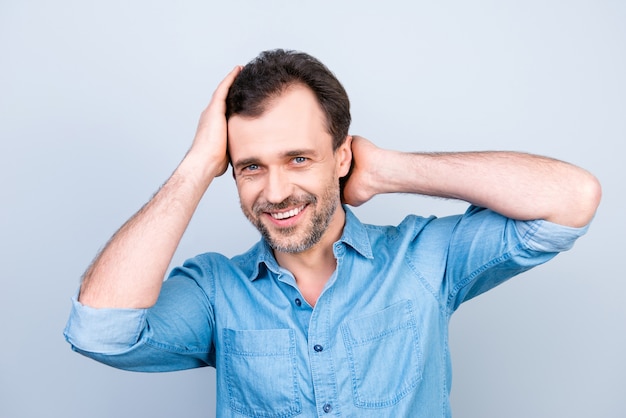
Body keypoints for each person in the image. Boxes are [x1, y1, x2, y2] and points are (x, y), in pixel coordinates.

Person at [64, 49, 602, 417]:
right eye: (250, 166)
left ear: (340, 155)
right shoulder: (215, 292)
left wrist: (390, 170)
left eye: (298, 158)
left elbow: (570, 200)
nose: (275, 192)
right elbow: (99, 331)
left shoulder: (423, 259)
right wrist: (197, 165)